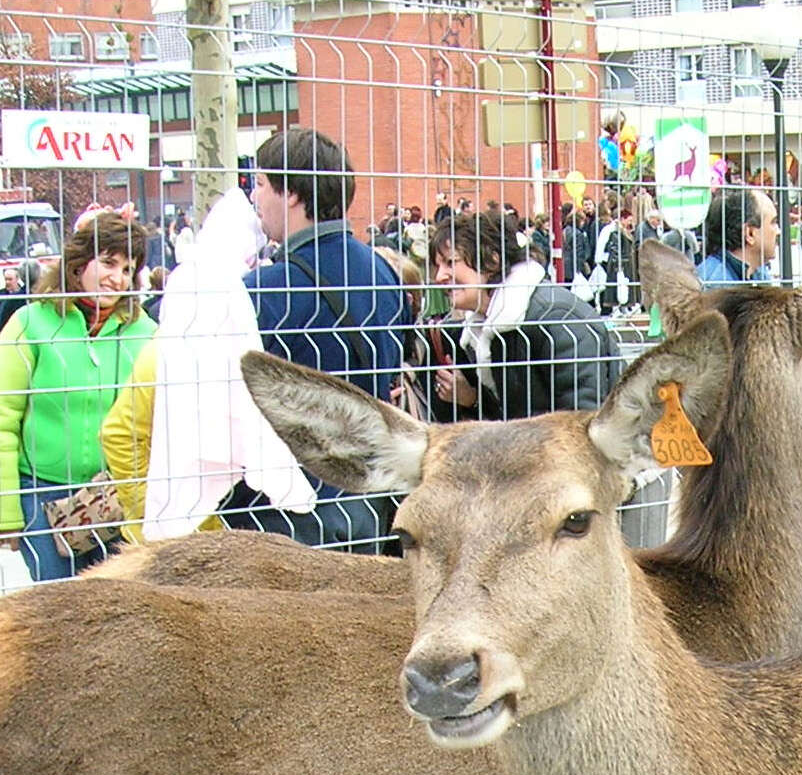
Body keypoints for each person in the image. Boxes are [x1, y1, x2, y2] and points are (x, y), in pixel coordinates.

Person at [237, 126, 410, 550]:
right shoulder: (385, 274)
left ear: (291, 192)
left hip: (288, 509)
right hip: (368, 499)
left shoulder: (265, 291)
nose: (254, 198)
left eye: (259, 184)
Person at [0, 207, 156, 581]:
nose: (117, 278)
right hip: (40, 496)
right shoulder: (29, 323)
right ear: (79, 264)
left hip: (118, 498)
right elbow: (0, 422)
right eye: (108, 262)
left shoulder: (148, 332)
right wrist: (3, 514)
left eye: (128, 269)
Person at [425, 204, 620, 421]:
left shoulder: (556, 318)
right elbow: (514, 417)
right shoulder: (487, 325)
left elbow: (583, 422)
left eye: (451, 262)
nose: (440, 276)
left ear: (492, 260)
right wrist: (472, 399)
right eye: (438, 266)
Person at [695, 186, 777, 285]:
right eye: (773, 222)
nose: (778, 231)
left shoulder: (758, 272)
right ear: (749, 234)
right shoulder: (716, 284)